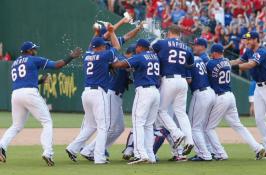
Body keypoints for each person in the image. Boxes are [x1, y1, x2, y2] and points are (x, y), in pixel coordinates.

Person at [0, 41, 82, 166]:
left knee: (16, 125)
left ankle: (1, 146)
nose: (35, 51)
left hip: (16, 94)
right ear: (28, 51)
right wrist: (71, 56)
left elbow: (23, 80)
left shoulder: (15, 63)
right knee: (47, 122)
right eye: (33, 49)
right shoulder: (33, 59)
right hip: (29, 93)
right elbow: (57, 65)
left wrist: (39, 81)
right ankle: (48, 152)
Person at [66, 24, 120, 164]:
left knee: (91, 125)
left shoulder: (88, 55)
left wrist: (96, 34)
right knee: (103, 126)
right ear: (100, 47)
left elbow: (92, 44)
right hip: (98, 93)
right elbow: (117, 47)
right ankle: (99, 157)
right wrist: (112, 32)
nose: (104, 47)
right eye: (102, 45)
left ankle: (72, 148)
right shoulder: (103, 55)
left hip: (86, 93)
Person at [205, 43, 265, 160]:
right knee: (238, 126)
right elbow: (225, 62)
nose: (211, 54)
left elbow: (206, 67)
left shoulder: (211, 63)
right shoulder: (227, 62)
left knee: (208, 128)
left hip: (221, 97)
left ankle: (220, 153)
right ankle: (257, 147)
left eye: (212, 52)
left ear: (215, 53)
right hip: (230, 96)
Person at [112, 39, 160, 164]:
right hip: (155, 92)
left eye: (136, 47)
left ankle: (140, 154)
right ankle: (150, 156)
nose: (135, 50)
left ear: (139, 47)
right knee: (149, 125)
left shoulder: (139, 57)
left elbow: (120, 65)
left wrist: (111, 59)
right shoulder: (155, 57)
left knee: (138, 123)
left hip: (144, 91)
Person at [152, 25, 194, 156]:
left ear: (169, 32)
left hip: (168, 79)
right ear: (179, 34)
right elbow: (190, 64)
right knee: (181, 113)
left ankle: (176, 133)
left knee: (160, 110)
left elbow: (150, 52)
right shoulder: (186, 47)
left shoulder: (162, 43)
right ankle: (189, 140)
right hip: (182, 81)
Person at [187, 38, 216, 161]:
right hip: (209, 92)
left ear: (203, 46)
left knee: (194, 127)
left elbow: (189, 80)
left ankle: (204, 154)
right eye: (193, 45)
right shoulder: (200, 58)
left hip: (201, 92)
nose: (194, 47)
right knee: (202, 126)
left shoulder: (202, 58)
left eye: (196, 45)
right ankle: (209, 151)